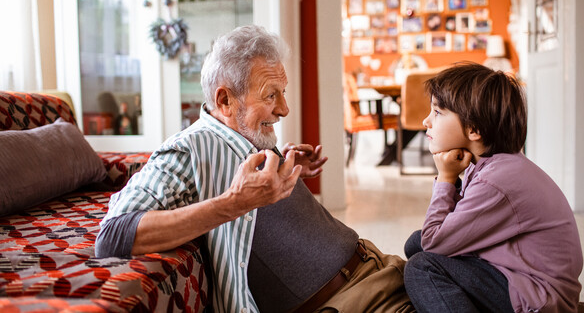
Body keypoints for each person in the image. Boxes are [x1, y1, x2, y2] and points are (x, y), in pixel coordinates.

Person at [96, 25, 414, 313]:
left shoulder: (249, 136)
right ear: (224, 101)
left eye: (283, 92)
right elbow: (113, 234)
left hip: (379, 268)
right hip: (352, 303)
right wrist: (236, 203)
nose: (284, 108)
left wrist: (286, 162)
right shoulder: (187, 150)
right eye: (270, 95)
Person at [403, 62, 583, 313]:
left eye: (438, 112)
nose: (426, 121)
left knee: (423, 266)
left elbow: (435, 242)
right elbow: (443, 232)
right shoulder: (494, 165)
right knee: (415, 242)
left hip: (538, 298)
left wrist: (446, 178)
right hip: (519, 278)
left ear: (473, 129)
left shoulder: (496, 181)